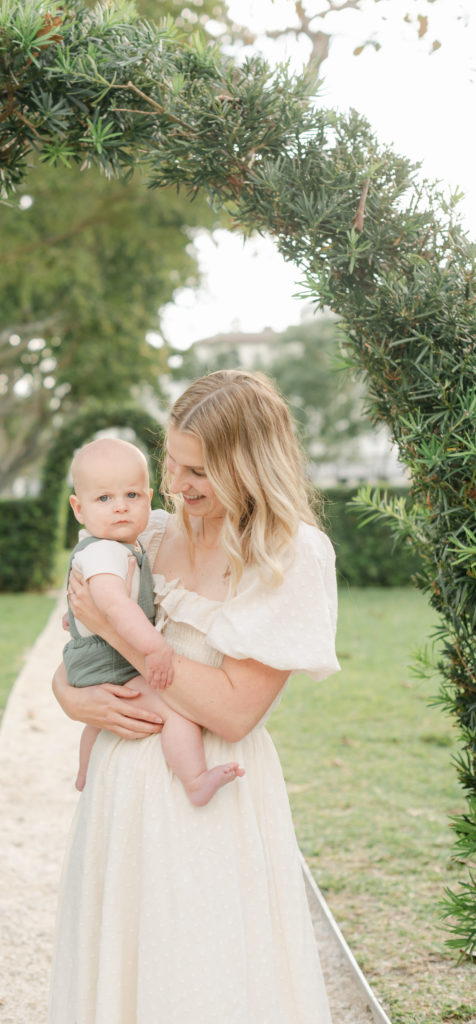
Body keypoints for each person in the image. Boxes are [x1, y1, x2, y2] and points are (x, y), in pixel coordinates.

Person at [49, 370, 341, 1024]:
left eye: (199, 472)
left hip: (209, 808)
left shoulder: (287, 556)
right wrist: (73, 698)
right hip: (119, 798)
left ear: (250, 468)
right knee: (124, 977)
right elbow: (75, 652)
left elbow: (236, 710)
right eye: (171, 464)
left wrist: (123, 641)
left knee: (202, 981)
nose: (176, 486)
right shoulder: (145, 534)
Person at [65, 437, 244, 804]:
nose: (120, 508)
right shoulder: (103, 552)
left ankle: (84, 773)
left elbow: (88, 607)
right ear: (78, 508)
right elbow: (114, 608)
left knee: (100, 718)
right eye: (104, 499)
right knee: (176, 711)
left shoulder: (124, 545)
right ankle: (195, 780)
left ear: (149, 498)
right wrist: (155, 648)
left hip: (95, 657)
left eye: (131, 496)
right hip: (107, 659)